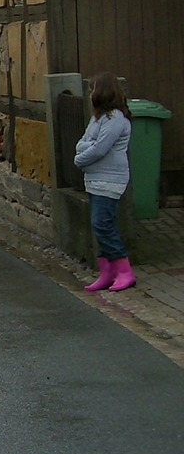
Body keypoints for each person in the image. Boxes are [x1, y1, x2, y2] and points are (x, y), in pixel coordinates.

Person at [74, 72, 135, 292]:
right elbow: (84, 142)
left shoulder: (115, 119)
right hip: (95, 178)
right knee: (99, 225)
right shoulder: (98, 118)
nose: (90, 94)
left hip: (110, 179)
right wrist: (84, 149)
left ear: (102, 92)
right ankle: (107, 272)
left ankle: (124, 270)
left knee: (102, 224)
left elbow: (99, 148)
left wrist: (79, 159)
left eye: (92, 90)